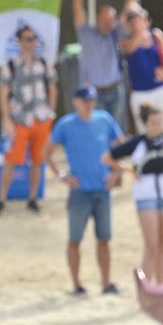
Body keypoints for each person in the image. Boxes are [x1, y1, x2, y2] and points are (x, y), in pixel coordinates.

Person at [49, 86, 126, 297]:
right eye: (85, 101)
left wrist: (117, 172)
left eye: (92, 101)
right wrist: (61, 175)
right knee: (75, 239)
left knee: (104, 239)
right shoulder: (65, 125)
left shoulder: (104, 120)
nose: (90, 104)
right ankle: (76, 284)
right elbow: (47, 152)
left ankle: (106, 283)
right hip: (79, 191)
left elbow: (122, 147)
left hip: (102, 189)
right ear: (76, 101)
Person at [107, 103, 163, 283]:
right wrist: (127, 170)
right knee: (151, 245)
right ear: (146, 124)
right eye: (153, 123)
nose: (157, 127)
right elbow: (108, 156)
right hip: (146, 197)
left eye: (160, 123)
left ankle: (161, 285)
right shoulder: (138, 143)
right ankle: (145, 283)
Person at [0, 25, 57, 215]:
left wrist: (50, 113)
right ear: (19, 41)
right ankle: (1, 200)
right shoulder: (10, 66)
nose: (30, 42)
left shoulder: (44, 63)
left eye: (32, 38)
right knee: (11, 160)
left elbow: (53, 88)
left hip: (41, 118)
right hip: (19, 119)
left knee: (38, 160)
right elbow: (3, 93)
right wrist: (6, 119)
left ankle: (32, 198)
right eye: (26, 38)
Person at [118, 2, 163, 135]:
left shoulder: (156, 35)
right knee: (145, 132)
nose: (135, 19)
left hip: (162, 89)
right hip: (141, 93)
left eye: (137, 15)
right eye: (131, 18)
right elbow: (130, 48)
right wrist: (137, 29)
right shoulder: (125, 41)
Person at [71, 0, 126, 129]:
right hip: (94, 94)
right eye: (105, 19)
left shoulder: (115, 34)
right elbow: (77, 9)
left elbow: (129, 9)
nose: (109, 23)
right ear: (97, 18)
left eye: (111, 20)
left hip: (116, 90)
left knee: (115, 130)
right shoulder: (86, 34)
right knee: (98, 129)